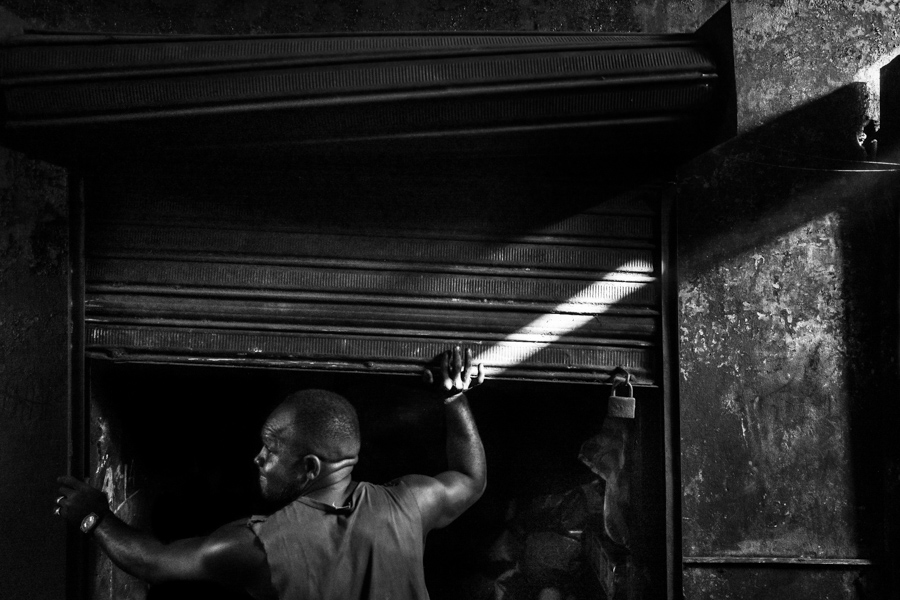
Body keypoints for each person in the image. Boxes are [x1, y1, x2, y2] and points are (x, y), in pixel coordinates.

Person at [55, 347, 486, 600]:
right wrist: (455, 399)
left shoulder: (261, 545)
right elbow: (470, 479)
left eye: (272, 450)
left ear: (309, 467)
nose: (257, 458)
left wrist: (95, 517)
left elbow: (155, 563)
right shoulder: (408, 506)